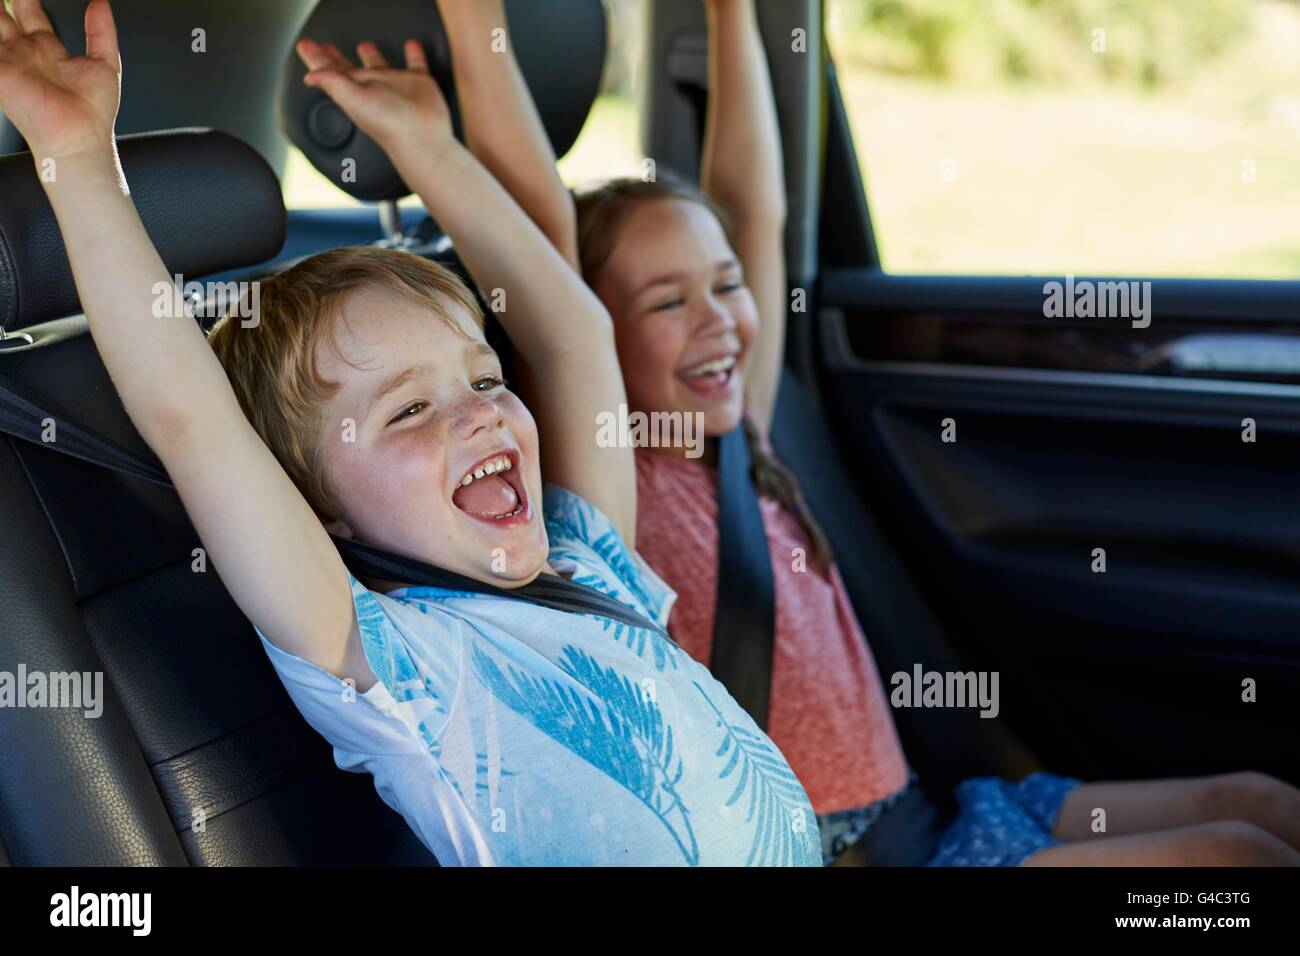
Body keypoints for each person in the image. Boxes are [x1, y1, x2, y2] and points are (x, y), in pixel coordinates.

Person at [462, 0, 1300, 865]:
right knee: (1235, 859)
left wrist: (731, 15)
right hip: (849, 855)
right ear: (588, 325)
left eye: (727, 286)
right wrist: (468, 24)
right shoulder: (610, 481)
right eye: (668, 302)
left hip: (934, 817)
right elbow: (537, 243)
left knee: (1258, 803)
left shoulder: (741, 428)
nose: (719, 320)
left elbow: (757, 210)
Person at [0, 0, 822, 866]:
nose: (478, 413)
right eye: (409, 410)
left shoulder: (590, 566)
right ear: (316, 507)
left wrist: (426, 144)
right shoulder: (394, 665)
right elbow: (190, 418)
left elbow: (575, 332)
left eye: (484, 379)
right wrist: (75, 156)